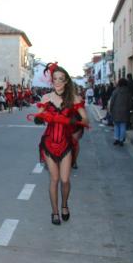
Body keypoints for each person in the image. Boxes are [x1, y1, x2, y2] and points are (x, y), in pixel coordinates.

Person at [30, 63, 88, 226]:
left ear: (66, 81)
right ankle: (55, 211)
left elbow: (86, 120)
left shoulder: (74, 99)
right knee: (54, 179)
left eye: (61, 79)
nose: (57, 82)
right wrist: (39, 118)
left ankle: (64, 205)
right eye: (55, 79)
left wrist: (72, 120)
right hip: (49, 142)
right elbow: (38, 117)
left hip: (66, 143)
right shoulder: (46, 98)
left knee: (65, 180)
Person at [108, 78, 133, 146]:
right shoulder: (128, 91)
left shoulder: (116, 91)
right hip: (125, 111)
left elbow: (112, 101)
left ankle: (117, 139)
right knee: (123, 126)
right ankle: (121, 140)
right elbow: (130, 102)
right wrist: (129, 109)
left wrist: (110, 109)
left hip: (116, 110)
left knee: (116, 125)